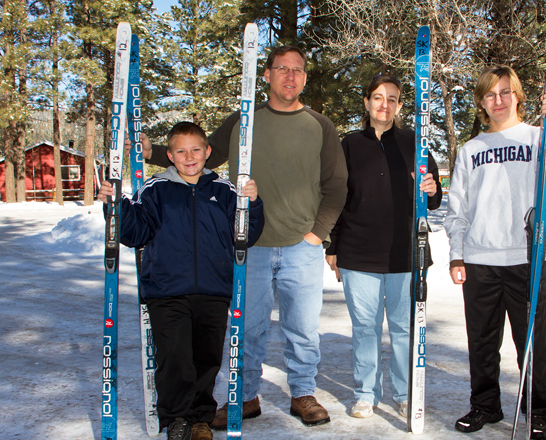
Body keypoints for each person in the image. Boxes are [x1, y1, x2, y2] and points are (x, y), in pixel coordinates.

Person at [135, 45, 348, 427]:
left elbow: (336, 184)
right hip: (248, 246)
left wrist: (318, 234)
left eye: (297, 70)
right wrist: (153, 153)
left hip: (302, 245)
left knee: (302, 329)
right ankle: (245, 396)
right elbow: (201, 156)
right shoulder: (243, 121)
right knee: (246, 329)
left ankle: (302, 393)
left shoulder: (320, 125)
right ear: (266, 75)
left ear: (303, 77)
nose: (290, 76)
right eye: (282, 69)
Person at [98, 121, 264, 440]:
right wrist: (115, 205)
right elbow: (135, 232)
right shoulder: (155, 188)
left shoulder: (225, 190)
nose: (189, 157)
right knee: (174, 358)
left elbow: (246, 235)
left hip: (213, 291)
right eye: (181, 151)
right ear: (170, 156)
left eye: (196, 150)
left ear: (208, 152)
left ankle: (201, 418)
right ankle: (177, 418)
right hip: (166, 291)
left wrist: (252, 204)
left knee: (206, 358)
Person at [444, 66, 546, 438]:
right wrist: (457, 254)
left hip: (525, 257)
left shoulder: (539, 136)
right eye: (490, 94)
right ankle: (485, 405)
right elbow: (458, 209)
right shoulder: (471, 150)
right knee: (482, 341)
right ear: (482, 102)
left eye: (505, 92)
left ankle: (537, 411)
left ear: (517, 95)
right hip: (480, 259)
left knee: (532, 341)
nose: (498, 100)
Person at [324, 74, 442, 419]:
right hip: (358, 254)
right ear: (366, 102)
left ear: (400, 106)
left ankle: (405, 392)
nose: (384, 104)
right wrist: (333, 246)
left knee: (405, 327)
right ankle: (365, 392)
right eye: (377, 97)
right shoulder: (348, 146)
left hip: (406, 253)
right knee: (365, 327)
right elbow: (337, 199)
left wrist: (431, 189)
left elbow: (432, 202)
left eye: (392, 98)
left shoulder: (415, 142)